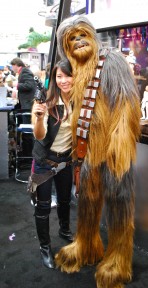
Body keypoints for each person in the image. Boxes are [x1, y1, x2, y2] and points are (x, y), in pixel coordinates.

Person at [54, 15, 141, 288]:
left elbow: (128, 102)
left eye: (82, 35)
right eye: (72, 39)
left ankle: (118, 259)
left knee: (119, 204)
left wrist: (121, 143)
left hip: (116, 148)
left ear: (93, 36)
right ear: (66, 49)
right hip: (89, 149)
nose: (79, 41)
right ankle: (86, 244)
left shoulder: (111, 60)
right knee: (88, 201)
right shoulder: (78, 70)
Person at [30, 59, 74, 269]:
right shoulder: (45, 102)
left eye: (68, 75)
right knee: (43, 206)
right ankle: (45, 247)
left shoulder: (80, 101)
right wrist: (39, 118)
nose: (64, 80)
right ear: (54, 79)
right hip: (45, 163)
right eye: (59, 76)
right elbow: (40, 135)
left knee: (65, 201)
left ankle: (64, 231)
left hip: (66, 161)